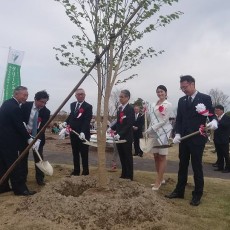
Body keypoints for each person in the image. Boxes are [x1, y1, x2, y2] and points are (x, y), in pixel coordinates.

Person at [165, 75, 218, 206]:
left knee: (196, 166)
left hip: (197, 139)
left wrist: (214, 122)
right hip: (184, 139)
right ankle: (179, 190)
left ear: (192, 84)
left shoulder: (205, 98)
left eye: (185, 87)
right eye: (181, 87)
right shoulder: (182, 100)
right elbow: (180, 119)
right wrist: (177, 133)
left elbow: (211, 115)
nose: (183, 90)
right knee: (182, 165)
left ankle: (197, 194)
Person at [0, 86, 36, 196]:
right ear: (16, 94)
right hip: (11, 142)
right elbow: (19, 126)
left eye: (27, 95)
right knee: (15, 165)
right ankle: (20, 189)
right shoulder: (15, 107)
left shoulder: (7, 103)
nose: (26, 97)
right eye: (24, 95)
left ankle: (3, 187)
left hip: (3, 140)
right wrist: (28, 138)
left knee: (3, 165)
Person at [145, 85, 173, 191]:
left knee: (162, 156)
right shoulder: (153, 104)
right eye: (158, 92)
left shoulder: (168, 104)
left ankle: (158, 181)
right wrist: (148, 130)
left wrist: (151, 128)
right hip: (153, 132)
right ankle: (160, 178)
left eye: (161, 91)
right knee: (156, 156)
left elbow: (164, 120)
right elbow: (151, 119)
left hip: (163, 132)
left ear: (165, 92)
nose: (160, 93)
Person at [21, 90, 50, 185]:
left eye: (45, 102)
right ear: (35, 99)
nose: (43, 104)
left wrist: (38, 139)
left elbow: (43, 128)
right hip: (24, 136)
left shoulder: (46, 112)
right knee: (23, 158)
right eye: (41, 101)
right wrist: (25, 132)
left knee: (38, 158)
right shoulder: (25, 106)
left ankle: (40, 179)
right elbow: (20, 120)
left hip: (38, 138)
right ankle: (23, 178)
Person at [66, 88, 92, 176]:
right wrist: (66, 122)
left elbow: (86, 120)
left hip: (83, 134)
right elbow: (71, 115)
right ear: (75, 96)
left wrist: (83, 131)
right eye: (79, 94)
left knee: (84, 153)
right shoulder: (72, 105)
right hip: (73, 133)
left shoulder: (88, 106)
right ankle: (76, 171)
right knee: (75, 153)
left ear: (85, 95)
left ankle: (85, 172)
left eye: (82, 94)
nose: (81, 96)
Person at [111, 89, 135, 180]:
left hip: (126, 137)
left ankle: (129, 176)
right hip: (119, 137)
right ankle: (124, 174)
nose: (120, 98)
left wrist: (120, 134)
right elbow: (118, 122)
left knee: (127, 156)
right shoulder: (120, 109)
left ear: (127, 98)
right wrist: (111, 128)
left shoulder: (130, 109)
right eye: (119, 97)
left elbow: (129, 124)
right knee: (121, 156)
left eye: (122, 97)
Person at [213, 105, 230, 173]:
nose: (216, 112)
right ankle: (220, 166)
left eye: (217, 110)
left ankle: (228, 168)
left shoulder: (227, 117)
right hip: (217, 138)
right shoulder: (216, 118)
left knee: (225, 154)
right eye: (215, 110)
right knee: (219, 154)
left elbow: (225, 125)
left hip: (224, 138)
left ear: (221, 110)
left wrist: (218, 122)